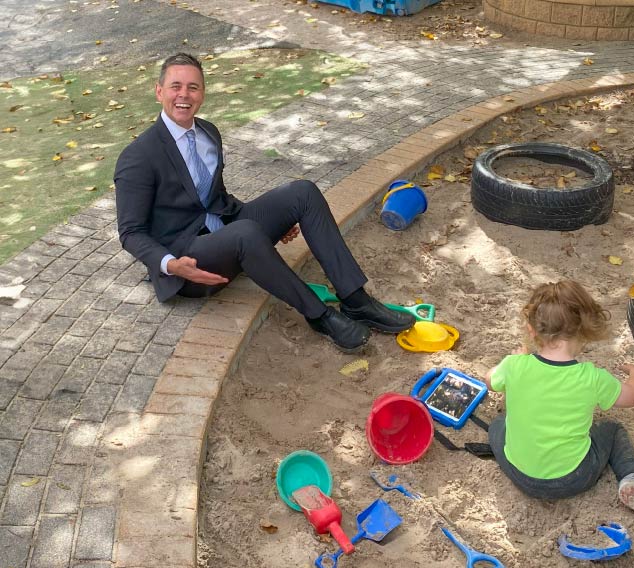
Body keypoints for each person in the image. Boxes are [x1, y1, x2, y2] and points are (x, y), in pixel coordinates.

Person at [114, 53, 414, 352]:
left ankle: (356, 300)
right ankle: (320, 316)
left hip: (230, 234)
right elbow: (130, 232)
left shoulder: (208, 133)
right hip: (189, 261)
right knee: (246, 232)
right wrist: (171, 265)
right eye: (175, 86)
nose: (184, 95)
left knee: (302, 191)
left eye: (193, 87)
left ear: (202, 93)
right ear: (159, 91)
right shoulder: (138, 155)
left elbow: (214, 198)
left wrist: (269, 221)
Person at [484, 280, 634, 524]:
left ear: (531, 330)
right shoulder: (592, 378)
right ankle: (632, 478)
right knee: (612, 430)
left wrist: (513, 359)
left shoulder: (514, 365)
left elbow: (489, 381)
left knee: (499, 424)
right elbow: (632, 397)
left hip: (519, 474)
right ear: (583, 331)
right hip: (574, 478)